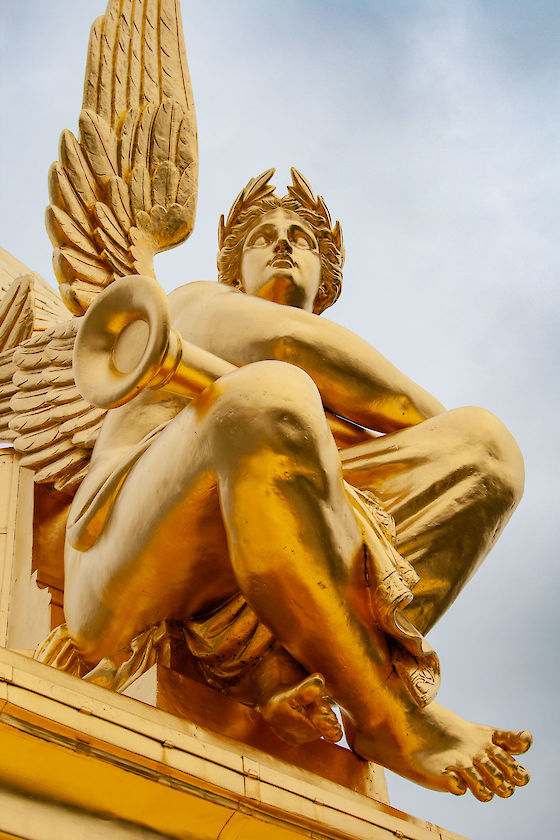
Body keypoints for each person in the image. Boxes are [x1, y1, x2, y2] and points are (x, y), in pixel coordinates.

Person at [58, 169, 531, 802]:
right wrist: (405, 425)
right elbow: (293, 344)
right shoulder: (193, 303)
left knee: (487, 448)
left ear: (327, 272)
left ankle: (296, 671)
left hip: (270, 549)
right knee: (269, 395)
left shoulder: (307, 413)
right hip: (124, 567)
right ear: (233, 265)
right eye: (263, 236)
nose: (283, 243)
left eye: (302, 238)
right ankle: (387, 711)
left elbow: (451, 445)